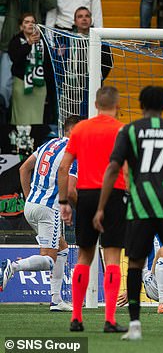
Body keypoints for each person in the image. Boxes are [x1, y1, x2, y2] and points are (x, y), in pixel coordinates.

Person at [93, 86, 163, 340]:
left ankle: (134, 326)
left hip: (139, 206)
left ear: (141, 104)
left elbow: (112, 169)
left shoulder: (129, 131)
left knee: (134, 264)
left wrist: (101, 207)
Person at [57, 86, 127, 333]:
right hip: (114, 195)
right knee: (112, 258)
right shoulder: (121, 130)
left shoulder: (80, 130)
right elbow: (127, 168)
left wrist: (64, 201)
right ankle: (109, 320)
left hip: (85, 196)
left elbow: (63, 168)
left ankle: (76, 317)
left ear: (95, 105)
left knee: (84, 256)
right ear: (117, 106)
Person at [0, 116, 81, 312]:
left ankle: (56, 300)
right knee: (49, 260)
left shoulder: (49, 144)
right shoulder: (74, 152)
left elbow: (23, 168)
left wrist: (29, 198)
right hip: (49, 209)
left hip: (31, 206)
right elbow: (70, 191)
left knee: (61, 247)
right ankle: (12, 266)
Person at [0, 0, 56, 116]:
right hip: (10, 43)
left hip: (34, 43)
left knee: (31, 85)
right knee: (5, 86)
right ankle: (4, 117)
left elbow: (51, 3)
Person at [7, 13, 54, 125]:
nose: (30, 24)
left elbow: (47, 65)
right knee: (21, 118)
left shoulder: (43, 41)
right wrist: (28, 44)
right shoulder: (16, 41)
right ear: (21, 26)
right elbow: (16, 59)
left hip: (40, 84)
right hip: (21, 83)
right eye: (26, 22)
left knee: (37, 117)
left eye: (32, 22)